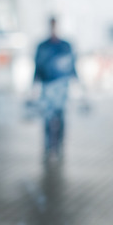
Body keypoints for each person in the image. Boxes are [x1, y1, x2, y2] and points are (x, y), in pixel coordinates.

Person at [33, 16, 77, 161]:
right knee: (47, 117)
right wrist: (34, 84)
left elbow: (72, 64)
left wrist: (77, 81)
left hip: (62, 87)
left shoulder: (65, 46)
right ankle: (47, 147)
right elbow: (37, 66)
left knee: (61, 117)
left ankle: (58, 147)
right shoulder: (42, 46)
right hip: (47, 86)